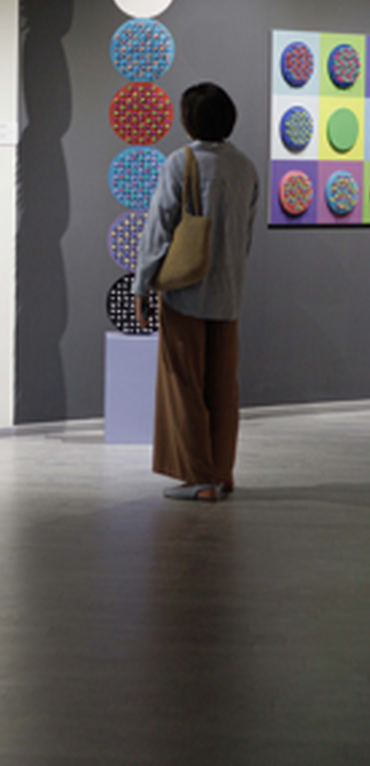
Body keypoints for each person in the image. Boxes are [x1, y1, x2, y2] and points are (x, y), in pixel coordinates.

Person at [133, 83, 259, 502]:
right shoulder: (245, 167)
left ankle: (199, 478)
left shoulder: (180, 162)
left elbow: (158, 229)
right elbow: (245, 235)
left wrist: (142, 285)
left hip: (186, 291)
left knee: (183, 383)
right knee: (223, 386)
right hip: (229, 293)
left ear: (188, 121)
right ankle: (222, 472)